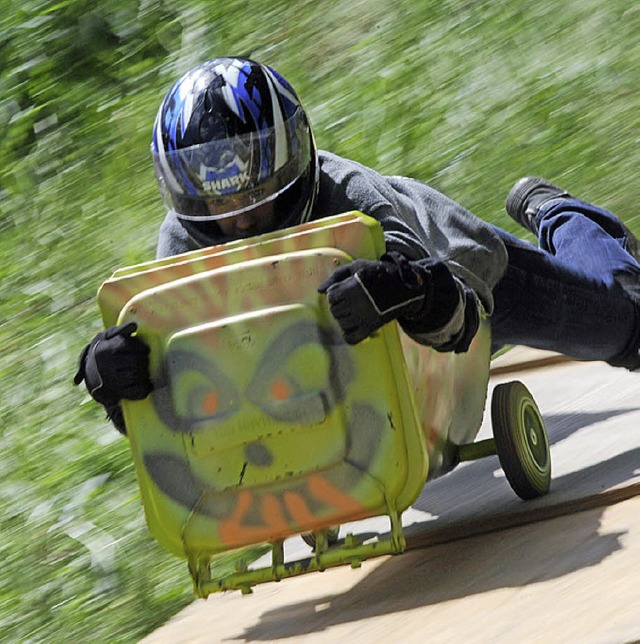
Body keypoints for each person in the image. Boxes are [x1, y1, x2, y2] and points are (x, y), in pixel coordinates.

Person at [74, 57, 640, 433]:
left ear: (294, 163)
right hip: (364, 370)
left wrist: (409, 289)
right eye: (219, 206)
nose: (242, 224)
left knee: (630, 328)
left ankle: (565, 218)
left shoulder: (348, 196)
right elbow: (181, 398)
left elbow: (461, 322)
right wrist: (119, 385)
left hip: (468, 274)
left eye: (259, 196)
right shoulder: (179, 243)